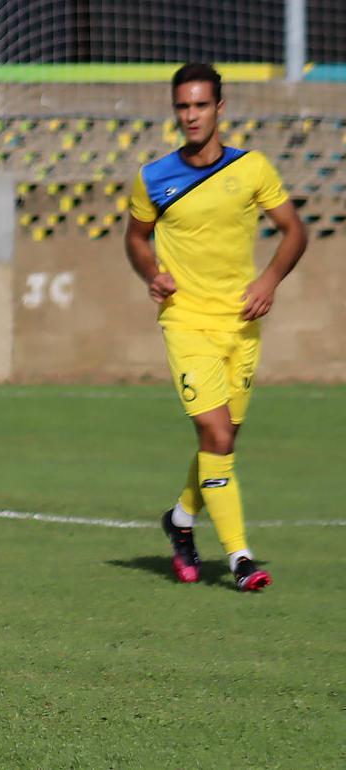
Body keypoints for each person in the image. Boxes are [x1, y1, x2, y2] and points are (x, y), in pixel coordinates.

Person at [124, 62, 306, 592]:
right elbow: (136, 239)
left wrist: (270, 279)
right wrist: (151, 273)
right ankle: (240, 558)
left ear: (219, 108)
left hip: (241, 325)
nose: (192, 115)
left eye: (201, 105)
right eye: (183, 106)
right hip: (186, 323)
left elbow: (293, 230)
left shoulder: (252, 169)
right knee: (217, 433)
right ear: (175, 110)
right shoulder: (154, 177)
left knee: (223, 443)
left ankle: (181, 520)